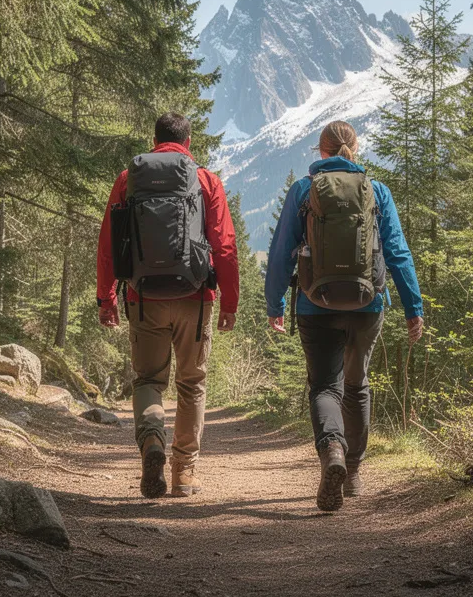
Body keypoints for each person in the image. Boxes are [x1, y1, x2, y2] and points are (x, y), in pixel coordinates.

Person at [265, 120, 423, 512]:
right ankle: (352, 472)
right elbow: (397, 253)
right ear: (355, 149)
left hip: (315, 303)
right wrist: (413, 308)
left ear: (321, 152)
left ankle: (332, 449)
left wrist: (275, 305)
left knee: (324, 387)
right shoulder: (377, 191)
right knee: (357, 385)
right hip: (367, 305)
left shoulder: (304, 190)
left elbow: (282, 249)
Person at [96, 112, 239, 499]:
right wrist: (230, 301)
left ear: (154, 138)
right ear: (188, 142)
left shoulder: (129, 180)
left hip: (143, 299)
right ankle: (184, 474)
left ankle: (153, 444)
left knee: (148, 382)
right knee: (191, 384)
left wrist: (106, 298)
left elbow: (109, 244)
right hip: (195, 299)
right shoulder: (205, 180)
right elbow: (224, 246)